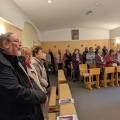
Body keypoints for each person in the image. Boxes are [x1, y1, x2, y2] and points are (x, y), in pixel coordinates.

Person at [0, 32, 47, 120]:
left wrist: (41, 94)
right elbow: (16, 92)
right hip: (16, 114)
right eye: (17, 41)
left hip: (28, 111)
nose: (20, 45)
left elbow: (29, 80)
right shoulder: (2, 64)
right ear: (6, 44)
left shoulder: (15, 60)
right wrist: (42, 97)